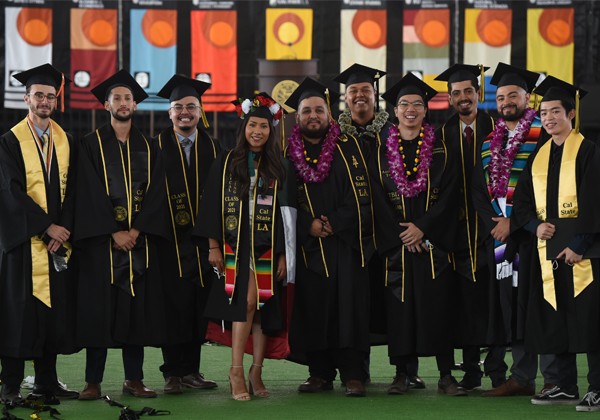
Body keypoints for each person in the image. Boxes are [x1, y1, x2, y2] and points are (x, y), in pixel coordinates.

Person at [193, 92, 296, 401]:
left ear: (271, 130)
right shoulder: (225, 161)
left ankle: (257, 370)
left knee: (262, 309)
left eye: (263, 128)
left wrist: (282, 254)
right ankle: (236, 370)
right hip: (234, 245)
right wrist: (212, 246)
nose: (257, 132)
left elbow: (284, 214)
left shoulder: (279, 166)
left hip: (264, 246)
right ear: (244, 127)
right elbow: (211, 203)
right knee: (248, 303)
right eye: (253, 125)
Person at [74, 70, 169, 400]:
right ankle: (93, 381)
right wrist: (113, 231)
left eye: (128, 98)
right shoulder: (89, 145)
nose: (123, 102)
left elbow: (158, 193)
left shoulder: (150, 146)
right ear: (106, 104)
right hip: (102, 245)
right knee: (99, 313)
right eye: (117, 98)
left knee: (136, 314)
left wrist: (136, 230)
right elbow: (86, 192)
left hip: (139, 245)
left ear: (135, 104)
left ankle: (134, 379)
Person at [370, 72, 463, 396]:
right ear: (395, 111)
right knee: (399, 309)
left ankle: (446, 375)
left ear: (426, 110)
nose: (410, 109)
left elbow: (451, 195)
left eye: (417, 104)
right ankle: (402, 373)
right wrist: (402, 234)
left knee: (439, 309)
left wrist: (423, 228)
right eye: (404, 104)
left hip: (433, 244)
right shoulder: (381, 151)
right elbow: (377, 199)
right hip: (398, 246)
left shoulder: (442, 149)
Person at [510, 76, 600, 411]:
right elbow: (520, 205)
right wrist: (535, 226)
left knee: (590, 321)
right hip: (548, 254)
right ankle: (564, 385)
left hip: (585, 254)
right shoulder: (538, 156)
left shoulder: (588, 152)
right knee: (555, 318)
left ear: (571, 113)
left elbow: (595, 203)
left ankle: (598, 387)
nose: (548, 118)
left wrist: (579, 244)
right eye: (543, 112)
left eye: (555, 112)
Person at [335, 63, 425, 389]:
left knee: (400, 302)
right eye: (353, 91)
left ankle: (405, 369)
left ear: (375, 96)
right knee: (355, 304)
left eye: (365, 90)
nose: (359, 95)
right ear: (345, 98)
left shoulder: (393, 131)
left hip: (395, 233)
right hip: (354, 236)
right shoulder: (338, 137)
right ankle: (356, 372)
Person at [471, 62, 558, 397]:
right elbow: (479, 189)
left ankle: (552, 377)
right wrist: (494, 224)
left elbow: (545, 187)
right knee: (514, 308)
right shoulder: (488, 141)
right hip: (501, 239)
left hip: (534, 236)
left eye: (514, 95)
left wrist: (515, 222)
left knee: (540, 305)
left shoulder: (542, 134)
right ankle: (521, 377)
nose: (507, 101)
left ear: (527, 97)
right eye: (502, 96)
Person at [286, 77, 375, 397]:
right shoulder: (289, 152)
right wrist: (308, 225)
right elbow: (286, 201)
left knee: (349, 308)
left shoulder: (349, 146)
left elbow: (364, 193)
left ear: (329, 113)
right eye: (307, 110)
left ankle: (353, 374)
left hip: (346, 243)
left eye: (319, 110)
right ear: (297, 118)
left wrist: (336, 222)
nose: (313, 115)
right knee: (315, 309)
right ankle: (319, 373)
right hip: (309, 247)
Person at [0, 63, 79, 403]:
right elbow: (10, 191)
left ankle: (47, 381)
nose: (45, 101)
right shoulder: (9, 141)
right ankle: (11, 386)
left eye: (50, 96)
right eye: (39, 95)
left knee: (51, 313)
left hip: (56, 245)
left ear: (55, 101)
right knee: (18, 313)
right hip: (22, 244)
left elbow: (76, 192)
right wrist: (46, 226)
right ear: (26, 97)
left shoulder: (67, 141)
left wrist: (62, 231)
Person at [434, 64, 506, 390]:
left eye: (468, 91)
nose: (463, 97)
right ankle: (472, 373)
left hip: (494, 230)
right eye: (457, 93)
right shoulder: (441, 134)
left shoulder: (499, 129)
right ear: (449, 98)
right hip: (456, 235)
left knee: (494, 302)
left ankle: (498, 373)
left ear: (478, 93)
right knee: (464, 304)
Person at [153, 75, 219, 394]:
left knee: (197, 308)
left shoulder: (214, 148)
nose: (184, 112)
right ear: (169, 113)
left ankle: (191, 370)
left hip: (204, 245)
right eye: (178, 107)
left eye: (191, 107)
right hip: (169, 245)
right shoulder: (155, 148)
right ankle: (172, 373)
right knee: (171, 308)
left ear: (200, 110)